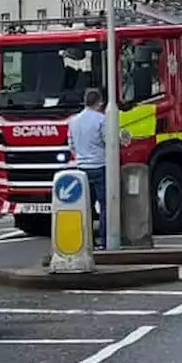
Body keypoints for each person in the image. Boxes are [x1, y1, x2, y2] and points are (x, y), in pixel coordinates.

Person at [67, 88, 107, 248]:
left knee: (85, 207)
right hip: (99, 166)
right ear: (99, 102)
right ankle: (104, 240)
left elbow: (71, 145)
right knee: (105, 206)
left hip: (81, 168)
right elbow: (108, 141)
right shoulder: (101, 119)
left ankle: (87, 241)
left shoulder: (73, 121)